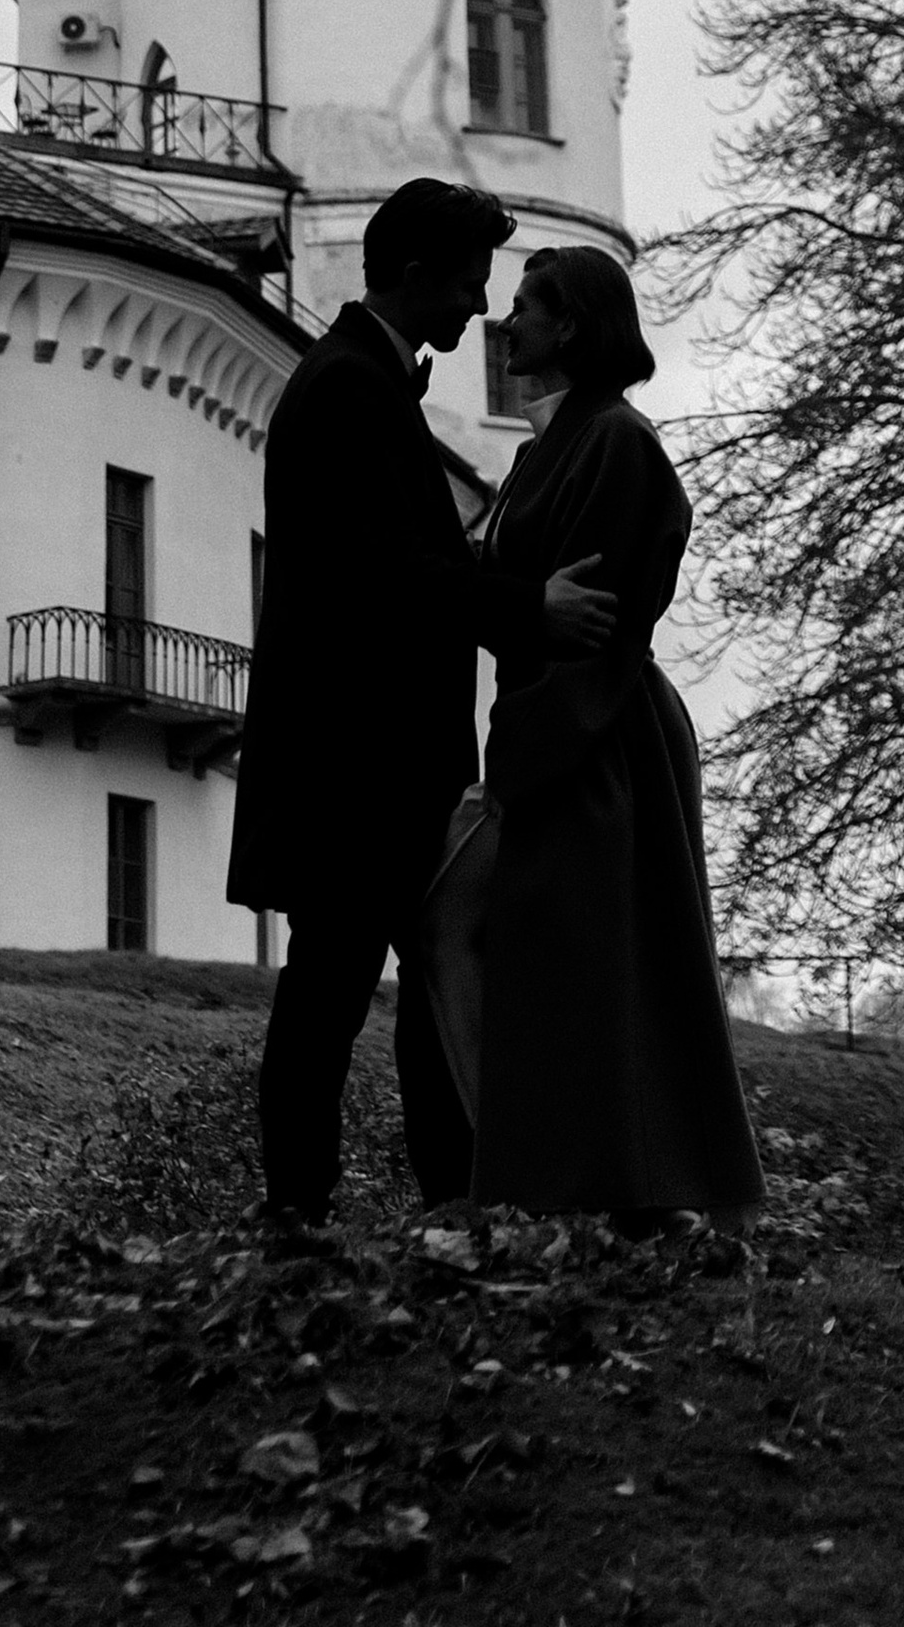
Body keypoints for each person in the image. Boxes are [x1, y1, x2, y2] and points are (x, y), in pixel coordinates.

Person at [228, 178, 616, 1228]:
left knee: (392, 978)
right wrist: (530, 606)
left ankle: (429, 1195)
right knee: (337, 987)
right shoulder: (354, 389)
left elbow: (393, 564)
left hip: (365, 756)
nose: (476, 311)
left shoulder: (356, 381)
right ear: (412, 275)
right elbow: (389, 575)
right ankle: (316, 1212)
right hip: (360, 760)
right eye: (464, 284)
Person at [459, 245, 765, 1223]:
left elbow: (600, 622)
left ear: (574, 327)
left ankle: (638, 1184)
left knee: (609, 960)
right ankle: (554, 1182)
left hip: (600, 735)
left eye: (526, 309)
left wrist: (525, 751)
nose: (506, 326)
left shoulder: (616, 444)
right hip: (554, 724)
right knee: (549, 963)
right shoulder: (538, 453)